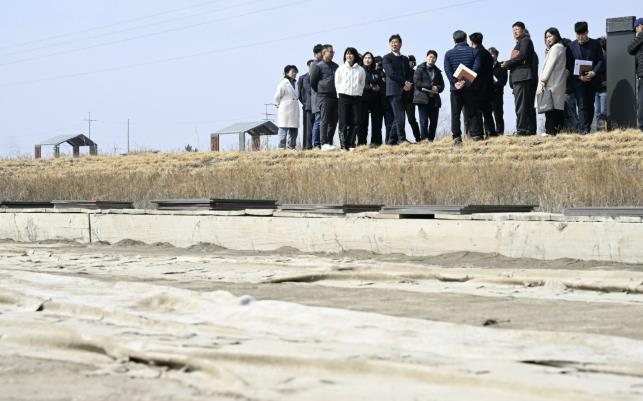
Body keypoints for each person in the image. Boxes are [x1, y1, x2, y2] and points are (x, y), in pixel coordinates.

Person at [444, 30, 483, 145]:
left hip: (455, 89)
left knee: (455, 113)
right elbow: (476, 68)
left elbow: (448, 70)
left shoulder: (448, 54)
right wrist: (465, 82)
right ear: (466, 39)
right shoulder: (474, 52)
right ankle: (476, 135)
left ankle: (456, 137)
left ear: (454, 40)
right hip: (471, 87)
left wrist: (455, 83)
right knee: (473, 111)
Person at [566, 21, 605, 134]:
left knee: (590, 104)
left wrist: (594, 72)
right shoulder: (571, 46)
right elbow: (569, 65)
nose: (580, 37)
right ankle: (584, 129)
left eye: (582, 34)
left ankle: (587, 126)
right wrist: (579, 77)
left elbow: (600, 61)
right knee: (582, 104)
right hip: (578, 81)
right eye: (578, 34)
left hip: (592, 80)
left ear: (587, 32)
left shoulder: (595, 44)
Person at [502, 22, 537, 135]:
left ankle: (521, 129)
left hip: (522, 77)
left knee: (521, 105)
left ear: (523, 30)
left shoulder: (525, 40)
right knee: (526, 105)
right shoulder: (520, 43)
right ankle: (530, 129)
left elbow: (522, 56)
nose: (515, 32)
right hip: (521, 78)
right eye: (513, 30)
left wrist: (508, 63)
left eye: (517, 29)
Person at [536, 28, 568, 136]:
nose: (547, 39)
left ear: (556, 36)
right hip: (557, 82)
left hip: (551, 82)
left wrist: (543, 79)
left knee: (550, 108)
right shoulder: (560, 47)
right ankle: (556, 132)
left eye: (550, 36)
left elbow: (549, 65)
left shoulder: (556, 47)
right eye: (546, 37)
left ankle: (550, 132)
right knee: (556, 109)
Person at [382, 34, 414, 145]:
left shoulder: (405, 59)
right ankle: (401, 139)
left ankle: (391, 140)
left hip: (405, 90)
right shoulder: (386, 58)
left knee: (398, 116)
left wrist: (408, 83)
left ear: (400, 44)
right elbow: (391, 73)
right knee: (400, 115)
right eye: (392, 42)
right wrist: (404, 82)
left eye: (396, 42)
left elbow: (410, 72)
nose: (394, 44)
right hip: (394, 90)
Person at [335, 47, 366, 151]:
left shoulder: (361, 69)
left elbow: (362, 83)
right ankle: (343, 146)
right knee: (343, 122)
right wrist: (340, 94)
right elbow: (337, 83)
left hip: (356, 98)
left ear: (355, 56)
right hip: (343, 97)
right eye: (347, 53)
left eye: (351, 54)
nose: (349, 55)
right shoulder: (340, 68)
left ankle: (350, 143)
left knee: (356, 121)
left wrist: (359, 93)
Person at [310, 44, 339, 151]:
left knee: (334, 121)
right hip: (323, 96)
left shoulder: (336, 66)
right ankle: (323, 143)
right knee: (324, 120)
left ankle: (329, 141)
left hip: (335, 96)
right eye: (330, 52)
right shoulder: (318, 66)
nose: (332, 54)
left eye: (333, 52)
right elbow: (313, 83)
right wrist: (321, 90)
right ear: (323, 53)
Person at [413, 50, 445, 141]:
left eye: (434, 57)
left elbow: (442, 86)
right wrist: (431, 87)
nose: (432, 59)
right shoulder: (419, 69)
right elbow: (417, 82)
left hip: (434, 100)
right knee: (423, 122)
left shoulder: (438, 71)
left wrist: (437, 88)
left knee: (434, 122)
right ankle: (424, 140)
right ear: (426, 57)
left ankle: (431, 140)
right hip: (422, 99)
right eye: (430, 57)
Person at [469, 32, 496, 138]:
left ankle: (479, 134)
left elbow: (476, 69)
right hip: (488, 87)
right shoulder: (487, 54)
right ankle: (492, 133)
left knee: (476, 112)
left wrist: (465, 80)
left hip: (477, 87)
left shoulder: (476, 53)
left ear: (472, 42)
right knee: (488, 112)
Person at [360, 52, 385, 146]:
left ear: (372, 60)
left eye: (369, 58)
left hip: (376, 100)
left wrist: (379, 87)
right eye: (365, 58)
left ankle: (376, 142)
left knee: (377, 123)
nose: (367, 60)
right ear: (363, 59)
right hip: (363, 100)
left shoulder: (376, 72)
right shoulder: (359, 71)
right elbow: (358, 85)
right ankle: (362, 143)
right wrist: (370, 87)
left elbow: (382, 84)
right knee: (363, 123)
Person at [273, 65, 300, 150]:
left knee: (294, 129)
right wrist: (279, 105)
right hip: (285, 109)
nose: (294, 74)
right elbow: (276, 97)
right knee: (283, 128)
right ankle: (281, 147)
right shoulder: (283, 84)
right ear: (287, 73)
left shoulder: (296, 83)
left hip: (294, 108)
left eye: (295, 72)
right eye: (293, 72)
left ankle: (291, 146)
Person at [562, 37, 580, 133]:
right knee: (568, 114)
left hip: (568, 90)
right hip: (567, 90)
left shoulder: (568, 60)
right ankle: (570, 132)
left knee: (571, 114)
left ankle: (576, 131)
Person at [628, 18, 643, 131]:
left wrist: (640, 34)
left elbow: (630, 49)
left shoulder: (641, 36)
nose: (636, 32)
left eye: (636, 29)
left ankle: (642, 127)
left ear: (640, 26)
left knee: (641, 102)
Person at [489, 47, 508, 135]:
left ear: (496, 55)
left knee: (498, 115)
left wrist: (494, 84)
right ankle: (489, 132)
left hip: (497, 94)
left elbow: (503, 81)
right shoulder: (485, 67)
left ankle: (500, 133)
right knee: (487, 115)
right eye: (489, 54)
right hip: (487, 95)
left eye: (493, 54)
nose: (491, 56)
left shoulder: (502, 66)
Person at [404, 55, 421, 142]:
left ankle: (418, 138)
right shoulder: (401, 72)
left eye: (412, 62)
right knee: (399, 120)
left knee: (411, 120)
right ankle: (401, 138)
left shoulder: (415, 73)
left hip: (410, 100)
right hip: (400, 99)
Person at [298, 60, 314, 149]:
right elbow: (299, 94)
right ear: (308, 66)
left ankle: (316, 145)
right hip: (307, 106)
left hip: (318, 105)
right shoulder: (303, 78)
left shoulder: (319, 76)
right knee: (308, 127)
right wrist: (304, 102)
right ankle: (307, 146)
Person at [310, 44, 324, 148]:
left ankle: (321, 143)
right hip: (318, 97)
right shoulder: (315, 64)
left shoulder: (321, 64)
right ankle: (316, 144)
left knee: (322, 121)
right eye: (321, 53)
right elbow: (313, 83)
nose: (323, 54)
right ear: (316, 54)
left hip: (322, 97)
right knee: (318, 121)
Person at [594, 37, 608, 131]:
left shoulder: (606, 58)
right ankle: (600, 131)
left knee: (603, 112)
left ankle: (603, 130)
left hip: (604, 88)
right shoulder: (596, 58)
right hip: (597, 88)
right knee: (598, 112)